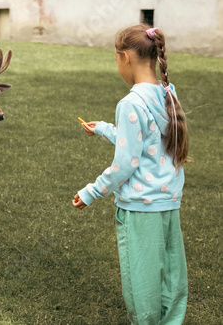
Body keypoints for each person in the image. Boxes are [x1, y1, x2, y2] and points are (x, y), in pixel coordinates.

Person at [72, 24, 189, 324]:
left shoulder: (130, 104)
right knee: (171, 275)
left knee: (143, 281)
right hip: (168, 202)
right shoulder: (167, 93)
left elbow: (125, 164)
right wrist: (102, 128)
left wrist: (91, 191)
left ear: (125, 57)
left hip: (140, 208)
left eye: (115, 60)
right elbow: (145, 140)